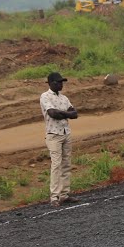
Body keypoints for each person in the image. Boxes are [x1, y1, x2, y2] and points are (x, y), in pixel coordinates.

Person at [40, 72, 79, 206]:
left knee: (66, 164)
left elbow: (75, 114)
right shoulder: (45, 96)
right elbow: (52, 113)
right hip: (53, 134)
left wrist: (62, 113)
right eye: (58, 82)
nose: (61, 84)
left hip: (65, 133)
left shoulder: (64, 98)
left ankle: (64, 194)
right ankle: (54, 197)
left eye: (62, 82)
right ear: (51, 83)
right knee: (56, 165)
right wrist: (67, 114)